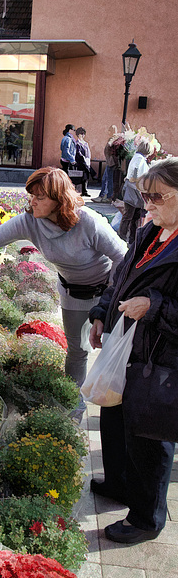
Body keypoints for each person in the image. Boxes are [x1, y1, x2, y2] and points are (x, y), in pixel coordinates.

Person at [0, 167, 127, 411]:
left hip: (108, 292)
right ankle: (73, 406)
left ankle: (116, 406)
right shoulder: (30, 221)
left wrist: (109, 300)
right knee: (77, 351)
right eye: (31, 195)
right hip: (73, 294)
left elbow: (123, 257)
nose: (32, 202)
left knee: (112, 350)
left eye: (40, 197)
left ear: (59, 199)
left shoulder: (88, 222)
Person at [88, 157, 178, 544]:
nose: (148, 204)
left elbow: (154, 300)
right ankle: (121, 483)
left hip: (160, 361)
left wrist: (154, 305)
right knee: (117, 420)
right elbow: (121, 279)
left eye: (156, 196)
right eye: (144, 195)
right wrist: (101, 312)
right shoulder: (150, 232)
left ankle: (145, 519)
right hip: (128, 349)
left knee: (149, 440)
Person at [118, 138, 151, 244]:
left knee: (133, 216)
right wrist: (136, 179)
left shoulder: (137, 157)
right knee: (129, 216)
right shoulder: (139, 159)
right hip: (134, 191)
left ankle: (131, 238)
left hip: (133, 190)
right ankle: (123, 237)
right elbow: (136, 172)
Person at [75, 127, 94, 197]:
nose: (82, 135)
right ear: (78, 134)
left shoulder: (86, 143)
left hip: (86, 162)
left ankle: (85, 191)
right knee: (81, 177)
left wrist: (88, 161)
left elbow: (88, 153)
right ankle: (80, 191)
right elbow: (78, 153)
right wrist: (83, 159)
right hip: (80, 163)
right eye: (81, 134)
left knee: (86, 177)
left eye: (83, 134)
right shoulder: (77, 143)